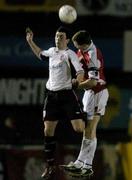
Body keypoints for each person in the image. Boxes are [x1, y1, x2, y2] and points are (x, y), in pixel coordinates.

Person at [26, 26, 85, 179]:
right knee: (47, 131)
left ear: (67, 40)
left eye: (61, 36)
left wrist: (77, 82)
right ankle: (50, 165)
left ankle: (90, 137)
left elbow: (80, 72)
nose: (57, 39)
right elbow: (40, 54)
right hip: (52, 96)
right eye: (56, 36)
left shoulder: (70, 54)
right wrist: (30, 41)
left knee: (79, 128)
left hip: (67, 95)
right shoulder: (52, 52)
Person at [63, 30, 109, 177]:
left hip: (98, 92)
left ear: (85, 44)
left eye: (79, 47)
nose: (78, 49)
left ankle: (86, 164)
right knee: (88, 130)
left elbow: (93, 81)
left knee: (90, 128)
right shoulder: (82, 50)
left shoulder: (93, 55)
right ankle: (82, 163)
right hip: (89, 94)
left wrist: (75, 86)